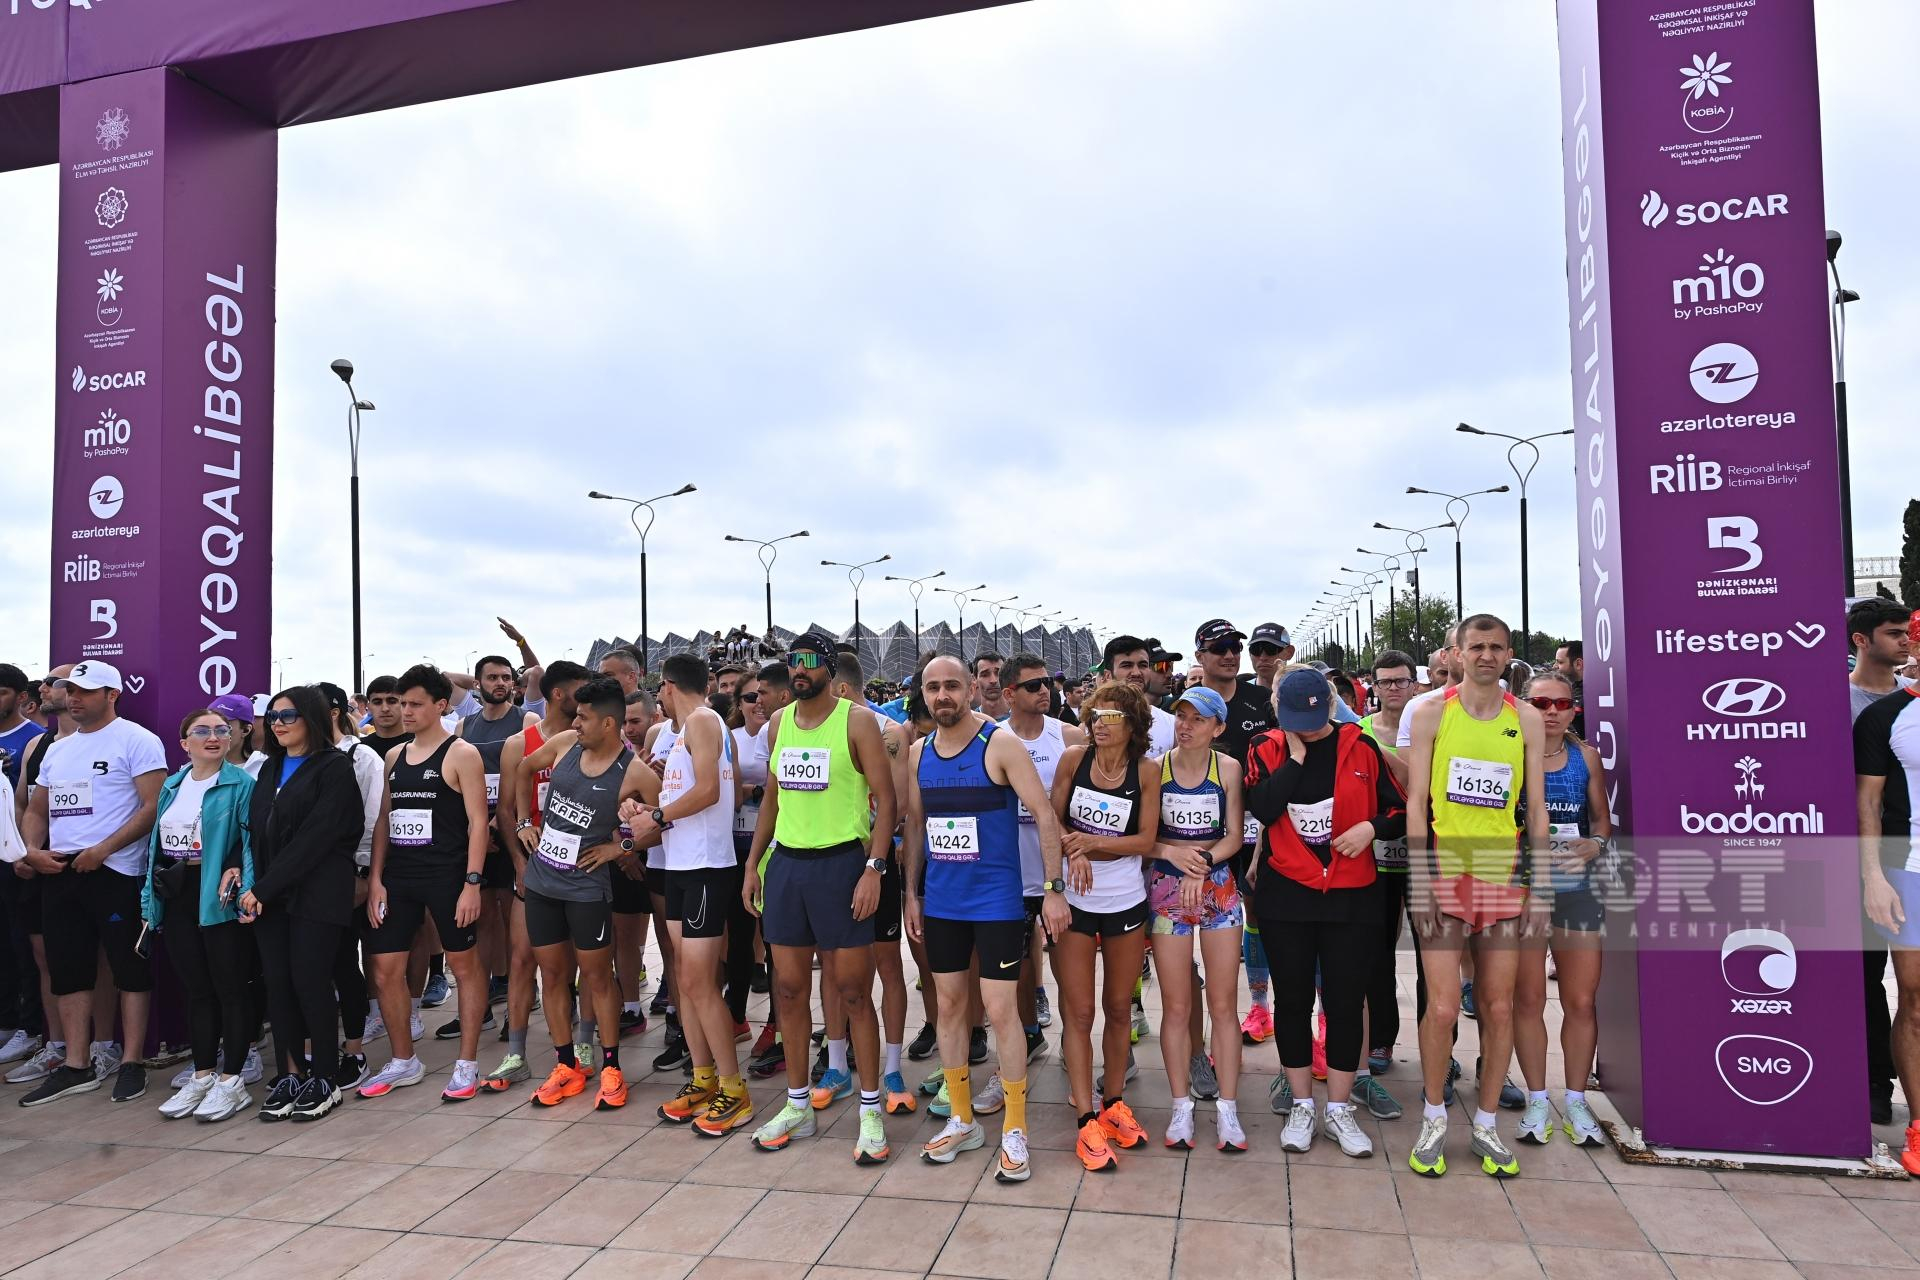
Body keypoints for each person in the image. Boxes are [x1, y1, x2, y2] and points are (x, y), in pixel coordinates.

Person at [903, 655, 1068, 1181]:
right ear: (923, 694)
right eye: (933, 687)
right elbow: (916, 825)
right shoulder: (918, 753)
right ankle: (962, 1119)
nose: (942, 695)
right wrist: (911, 893)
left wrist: (1053, 889)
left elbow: (1044, 814)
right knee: (950, 1008)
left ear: (972, 688)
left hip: (996, 901)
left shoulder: (999, 744)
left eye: (952, 685)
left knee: (1000, 1011)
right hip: (943, 903)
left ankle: (1015, 1127)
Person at [741, 632, 898, 1162]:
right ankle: (797, 1104)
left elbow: (886, 800)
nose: (799, 671)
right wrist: (754, 863)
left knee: (853, 991)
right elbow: (772, 799)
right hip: (788, 865)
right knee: (787, 989)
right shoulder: (779, 723)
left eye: (809, 662)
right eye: (794, 663)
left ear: (830, 670)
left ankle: (871, 1109)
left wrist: (875, 868)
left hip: (841, 864)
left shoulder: (856, 722)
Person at [1402, 615, 1548, 1179]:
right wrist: (1420, 882)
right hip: (1445, 867)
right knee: (1442, 1007)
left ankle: (1486, 1124)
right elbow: (1417, 802)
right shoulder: (1432, 712)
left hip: (1501, 872)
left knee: (1498, 1006)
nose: (1487, 655)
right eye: (1477, 646)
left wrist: (1539, 888)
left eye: (1496, 647)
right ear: (1457, 654)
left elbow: (1536, 809)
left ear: (1509, 654)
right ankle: (1434, 1116)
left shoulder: (1525, 718)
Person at [1245, 668, 1405, 1158]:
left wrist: (1370, 829)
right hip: (1286, 896)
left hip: (1351, 896)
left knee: (1343, 1002)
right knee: (1292, 1001)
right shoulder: (1265, 748)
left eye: (1315, 722)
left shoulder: (1362, 747)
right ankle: (1301, 1104)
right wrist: (1294, 760)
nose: (1308, 731)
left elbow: (1398, 811)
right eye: (1297, 722)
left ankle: (1338, 1108)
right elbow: (1263, 807)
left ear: (1331, 707)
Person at [14, 660, 164, 1106]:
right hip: (60, 872)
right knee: (68, 970)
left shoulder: (137, 739)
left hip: (117, 872)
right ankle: (76, 1065)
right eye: (70, 689)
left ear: (112, 695)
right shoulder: (58, 750)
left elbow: (152, 806)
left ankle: (131, 1062)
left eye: (85, 690)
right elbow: (37, 808)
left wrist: (104, 849)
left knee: (128, 968)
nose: (73, 697)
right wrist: (31, 849)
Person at [514, 676, 652, 1111]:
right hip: (542, 882)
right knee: (552, 975)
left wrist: (620, 847)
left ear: (608, 723)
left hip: (587, 887)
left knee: (597, 977)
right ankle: (565, 1065)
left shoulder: (634, 771)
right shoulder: (564, 745)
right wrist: (524, 823)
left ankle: (611, 1067)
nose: (575, 723)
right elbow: (523, 769)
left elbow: (661, 822)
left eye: (583, 718)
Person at [362, 665, 491, 1102]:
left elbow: (478, 823)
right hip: (399, 877)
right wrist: (376, 879)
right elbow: (384, 820)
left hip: (447, 876)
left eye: (415, 704)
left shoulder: (461, 754)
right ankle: (404, 1060)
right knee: (384, 969)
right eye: (403, 703)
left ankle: (467, 1062)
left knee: (464, 967)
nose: (406, 711)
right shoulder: (395, 756)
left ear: (440, 705)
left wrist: (472, 883)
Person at [636, 657, 751, 1133]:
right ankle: (703, 1077)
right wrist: (646, 809)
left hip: (706, 867)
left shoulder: (704, 720)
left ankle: (734, 1089)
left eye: (658, 690)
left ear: (667, 686)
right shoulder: (685, 730)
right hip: (679, 865)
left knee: (701, 983)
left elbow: (709, 792)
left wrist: (656, 817)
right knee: (684, 979)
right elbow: (688, 795)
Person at [1050, 679, 1159, 1172]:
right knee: (1078, 1012)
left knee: (1119, 1009)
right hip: (1075, 900)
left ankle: (1113, 1103)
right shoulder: (1074, 761)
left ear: (1132, 725)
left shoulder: (1147, 770)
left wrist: (1092, 843)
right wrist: (1070, 849)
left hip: (1125, 900)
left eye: (1112, 718)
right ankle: (1085, 1117)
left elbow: (1145, 840)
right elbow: (1051, 819)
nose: (1101, 725)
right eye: (1095, 716)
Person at [243, 685, 365, 1122]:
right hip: (271, 895)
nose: (278, 724)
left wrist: (264, 888)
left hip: (316, 892)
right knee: (279, 985)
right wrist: (252, 883)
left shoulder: (335, 768)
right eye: (273, 717)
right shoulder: (268, 769)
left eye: (288, 716)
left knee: (311, 982)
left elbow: (316, 839)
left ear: (311, 718)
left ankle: (325, 1078)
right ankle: (291, 1073)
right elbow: (256, 832)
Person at [142, 710, 258, 1121]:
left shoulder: (241, 784)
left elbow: (250, 843)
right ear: (184, 743)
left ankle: (232, 1081)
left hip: (220, 895)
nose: (214, 737)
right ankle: (203, 1074)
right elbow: (156, 847)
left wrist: (246, 891)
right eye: (202, 731)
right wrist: (149, 901)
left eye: (221, 730)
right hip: (178, 893)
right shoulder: (172, 784)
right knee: (196, 989)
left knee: (230, 988)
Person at [1511, 670, 1609, 1147]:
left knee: (1581, 1000)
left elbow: (1602, 823)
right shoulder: (1510, 754)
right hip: (1524, 889)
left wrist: (1595, 844)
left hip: (1577, 888)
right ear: (1524, 706)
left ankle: (1575, 1100)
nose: (1551, 712)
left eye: (1562, 704)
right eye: (1541, 703)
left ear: (1574, 710)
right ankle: (1536, 1099)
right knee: (1528, 999)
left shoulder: (1586, 756)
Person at [1148, 685, 1247, 1152]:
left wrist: (1202, 862)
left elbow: (1234, 835)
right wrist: (1175, 856)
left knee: (1223, 1004)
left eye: (1198, 719)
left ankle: (1228, 1108)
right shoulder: (1156, 769)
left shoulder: (1227, 769)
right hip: (1168, 891)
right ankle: (1180, 1105)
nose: (1185, 726)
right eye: (1181, 716)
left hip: (1218, 888)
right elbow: (1144, 838)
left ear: (1218, 727)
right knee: (1177, 1006)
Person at [486, 659, 592, 1092]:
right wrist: (518, 861)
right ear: (559, 694)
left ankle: (583, 1046)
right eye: (581, 690)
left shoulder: (591, 739)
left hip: (582, 865)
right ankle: (516, 1054)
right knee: (521, 959)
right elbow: (505, 810)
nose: (587, 698)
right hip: (534, 866)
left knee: (584, 962)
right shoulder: (520, 744)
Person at [1002, 654, 1084, 1061]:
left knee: (1068, 970)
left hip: (1059, 877)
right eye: (1033, 686)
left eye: (1047, 683)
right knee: (1017, 970)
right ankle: (1030, 1035)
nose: (1044, 691)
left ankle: (1073, 1043)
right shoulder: (994, 737)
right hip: (1011, 877)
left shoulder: (1068, 736)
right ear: (1009, 694)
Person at [1851, 597, 1913, 1125]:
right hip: (1864, 854)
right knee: (1864, 972)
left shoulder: (1905, 701)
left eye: (1906, 632)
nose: (1905, 641)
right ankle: (1872, 1080)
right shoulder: (1839, 702)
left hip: (1897, 853)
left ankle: (1880, 1080)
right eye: (1895, 633)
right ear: (1862, 640)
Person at [1855, 676, 1920, 1174]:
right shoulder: (1886, 716)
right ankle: (1918, 1125)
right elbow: (1867, 803)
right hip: (1909, 868)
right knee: (1915, 999)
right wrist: (1873, 877)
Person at [1358, 650, 1418, 1096]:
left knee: (1433, 956)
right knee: (1376, 951)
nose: (1393, 688)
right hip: (1373, 853)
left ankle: (1443, 1050)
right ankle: (1380, 1038)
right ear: (1374, 687)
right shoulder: (1359, 731)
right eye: (1385, 682)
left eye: (1401, 681)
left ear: (1415, 684)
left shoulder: (1431, 726)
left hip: (1422, 854)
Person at [1249, 624, 1294, 689]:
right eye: (1255, 650)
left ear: (1289, 653)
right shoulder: (1239, 691)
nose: (1263, 657)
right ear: (1250, 654)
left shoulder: (1302, 692)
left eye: (1271, 649)